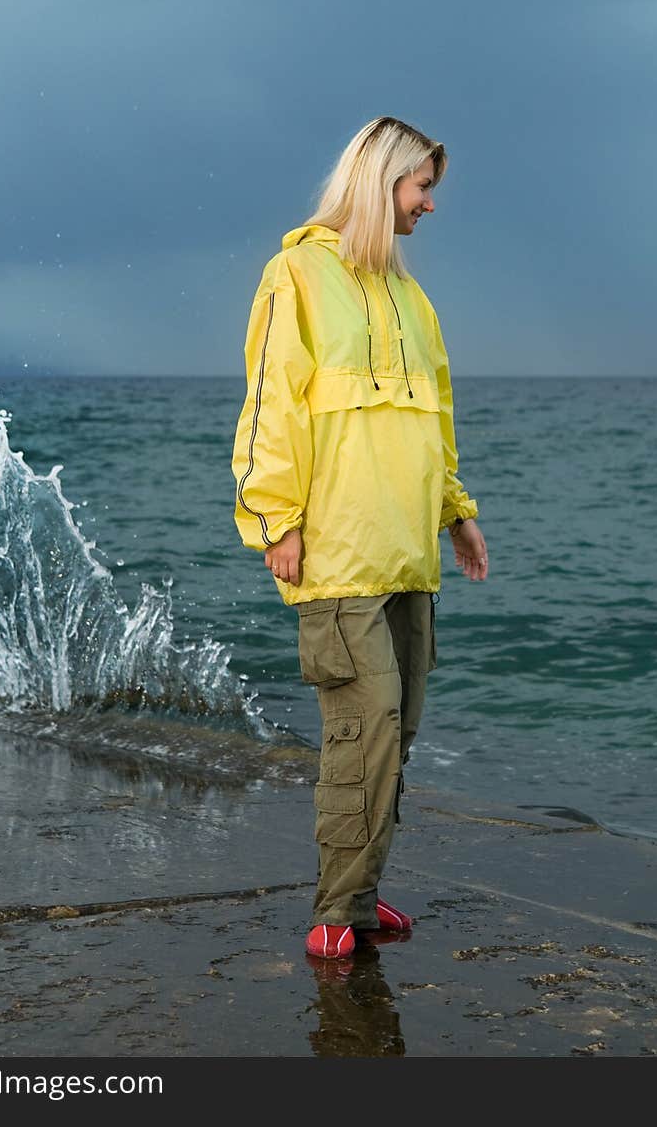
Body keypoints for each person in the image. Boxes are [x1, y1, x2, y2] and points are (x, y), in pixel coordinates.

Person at [231, 115, 488, 960]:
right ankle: (337, 907)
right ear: (383, 183)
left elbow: (435, 418)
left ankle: (364, 895)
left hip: (407, 551)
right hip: (336, 553)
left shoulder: (413, 298)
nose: (430, 206)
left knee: (398, 729)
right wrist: (277, 520)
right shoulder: (296, 275)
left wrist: (457, 510)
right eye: (422, 189)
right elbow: (271, 406)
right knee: (364, 726)